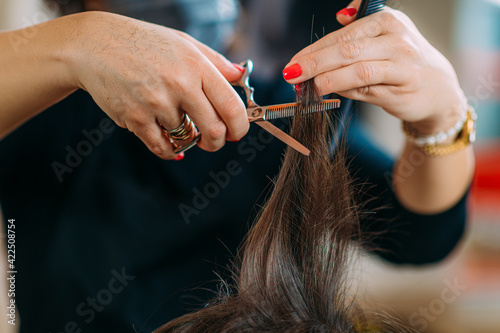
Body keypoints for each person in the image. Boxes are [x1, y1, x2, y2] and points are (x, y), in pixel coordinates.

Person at [0, 0, 474, 332]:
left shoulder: (266, 117)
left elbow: (422, 232)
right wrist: (75, 44)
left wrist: (444, 117)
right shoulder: (39, 105)